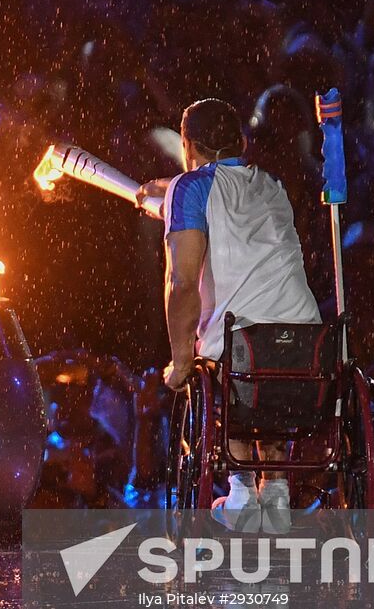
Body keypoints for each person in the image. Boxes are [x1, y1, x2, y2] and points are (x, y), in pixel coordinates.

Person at [137, 97, 319, 525]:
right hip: (308, 349)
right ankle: (274, 494)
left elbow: (182, 283)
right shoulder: (272, 185)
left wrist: (180, 362)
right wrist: (159, 191)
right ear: (241, 142)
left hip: (240, 355)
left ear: (187, 147)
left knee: (218, 352)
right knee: (264, 359)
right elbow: (216, 188)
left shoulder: (190, 188)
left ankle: (239, 494)